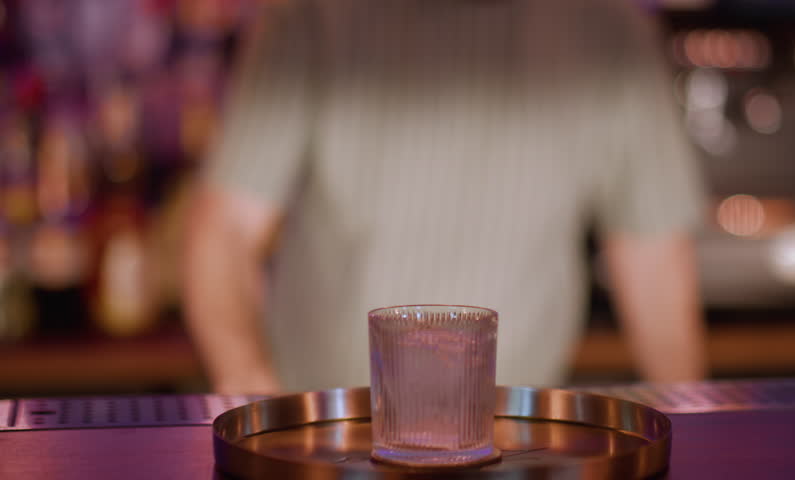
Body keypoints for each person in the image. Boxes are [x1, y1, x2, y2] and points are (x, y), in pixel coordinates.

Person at [183, 0, 708, 394]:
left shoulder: (612, 33)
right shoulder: (311, 16)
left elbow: (655, 265)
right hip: (326, 449)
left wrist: (696, 445)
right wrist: (259, 411)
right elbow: (222, 236)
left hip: (517, 450)